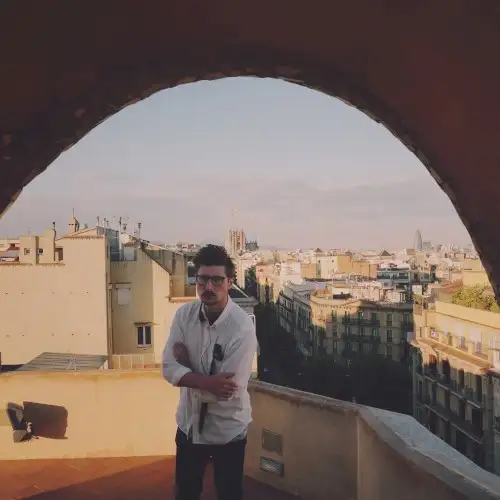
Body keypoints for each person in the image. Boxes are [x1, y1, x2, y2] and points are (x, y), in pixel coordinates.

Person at [162, 244, 258, 500]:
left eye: (217, 280)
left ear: (230, 282)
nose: (208, 287)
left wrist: (188, 369)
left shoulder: (241, 328)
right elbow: (168, 368)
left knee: (229, 493)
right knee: (186, 492)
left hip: (227, 431)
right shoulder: (184, 316)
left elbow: (226, 391)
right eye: (203, 279)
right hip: (189, 426)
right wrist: (207, 381)